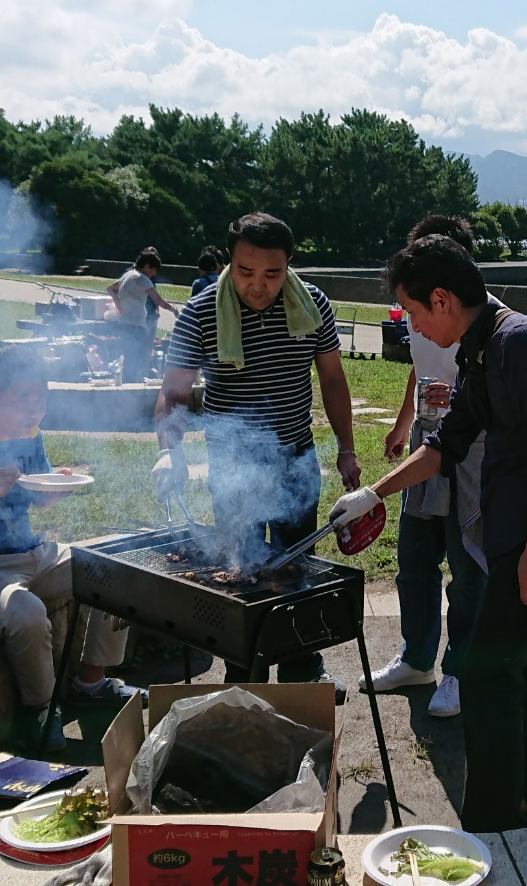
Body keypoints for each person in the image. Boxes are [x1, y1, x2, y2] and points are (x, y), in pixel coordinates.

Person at [331, 234, 527, 832]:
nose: (414, 326)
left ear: (441, 299)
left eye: (414, 312)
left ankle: (494, 825)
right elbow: (447, 443)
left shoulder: (518, 342)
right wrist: (374, 493)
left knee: (485, 670)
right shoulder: (479, 347)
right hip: (514, 531)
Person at [153, 214, 360, 694]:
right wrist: (171, 452)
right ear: (230, 262)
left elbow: (331, 379)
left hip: (295, 459)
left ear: (289, 266)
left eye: (272, 274)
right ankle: (243, 676)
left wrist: (347, 449)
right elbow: (173, 393)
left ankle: (302, 671)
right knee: (241, 571)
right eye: (246, 272)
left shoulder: (315, 306)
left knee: (294, 568)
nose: (258, 286)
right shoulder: (202, 311)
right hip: (233, 467)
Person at [0, 345, 137, 752]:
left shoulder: (29, 436)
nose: (34, 411)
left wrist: (60, 485)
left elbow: (39, 494)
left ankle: (91, 684)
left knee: (110, 571)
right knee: (27, 612)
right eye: (22, 401)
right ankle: (40, 712)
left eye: (41, 398)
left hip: (27, 554)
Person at [365, 216, 488, 718]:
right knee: (414, 560)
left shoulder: (484, 322)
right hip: (426, 443)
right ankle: (417, 658)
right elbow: (420, 363)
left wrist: (459, 392)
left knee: (466, 567)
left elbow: (491, 391)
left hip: (468, 451)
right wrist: (403, 422)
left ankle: (461, 667)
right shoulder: (422, 311)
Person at [106, 247, 177, 383]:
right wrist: (174, 310)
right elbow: (158, 301)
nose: (154, 273)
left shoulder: (128, 274)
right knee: (137, 359)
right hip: (137, 325)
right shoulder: (142, 279)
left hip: (124, 323)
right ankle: (133, 387)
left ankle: (127, 385)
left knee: (128, 358)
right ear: (146, 266)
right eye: (154, 269)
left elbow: (110, 288)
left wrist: (119, 304)